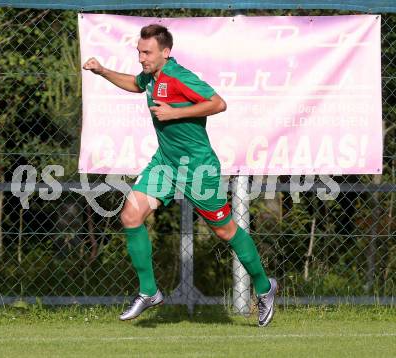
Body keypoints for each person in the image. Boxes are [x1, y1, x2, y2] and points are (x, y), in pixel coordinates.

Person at [83, 24, 277, 327]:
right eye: (139, 52)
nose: (141, 58)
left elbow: (218, 103)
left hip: (197, 167)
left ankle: (265, 288)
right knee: (131, 216)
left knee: (225, 231)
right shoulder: (151, 77)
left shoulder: (178, 76)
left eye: (147, 53)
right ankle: (149, 292)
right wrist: (103, 71)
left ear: (165, 52)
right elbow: (136, 84)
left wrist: (174, 113)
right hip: (165, 164)